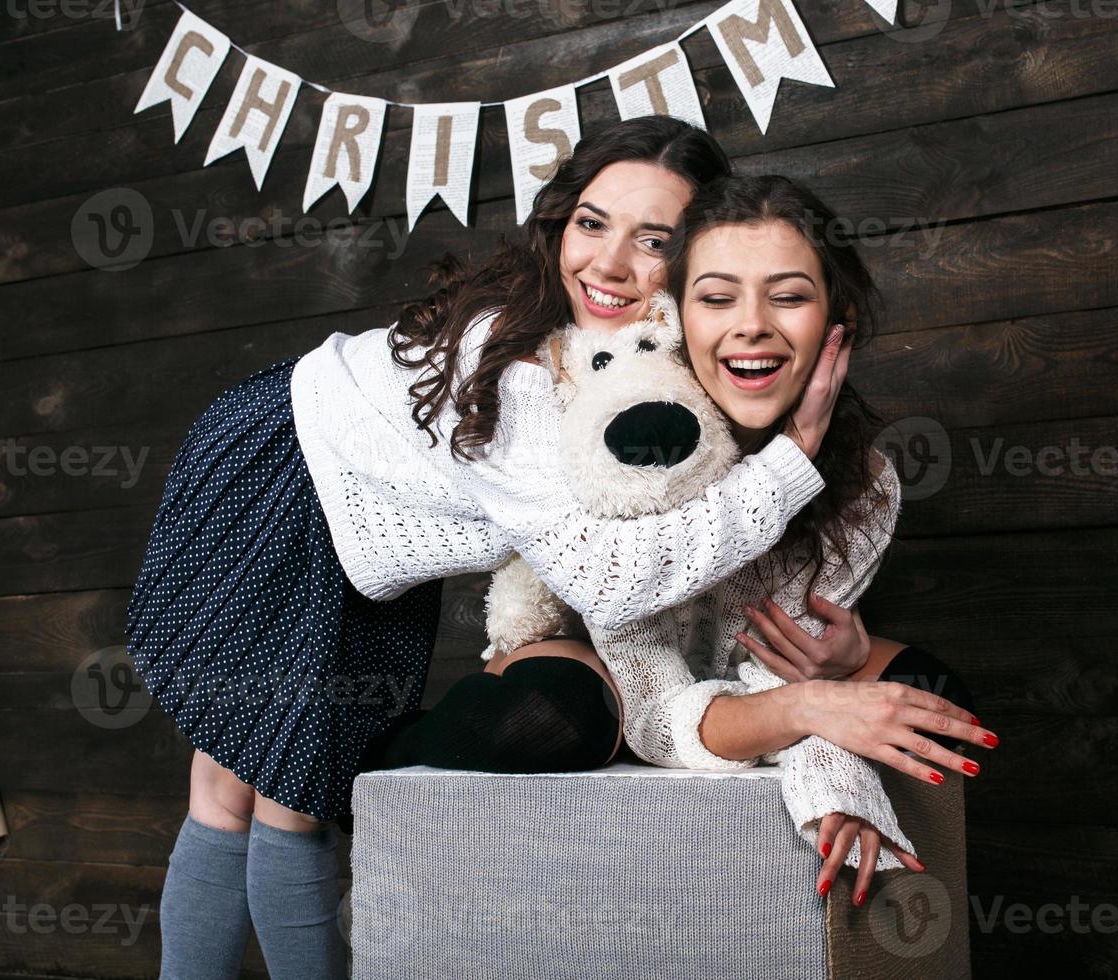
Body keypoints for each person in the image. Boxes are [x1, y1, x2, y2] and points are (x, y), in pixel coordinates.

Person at [124, 116, 856, 980]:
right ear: (561, 224)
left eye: (652, 239)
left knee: (289, 798)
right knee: (247, 794)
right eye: (591, 223)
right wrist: (790, 466)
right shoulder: (518, 370)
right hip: (279, 474)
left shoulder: (628, 349)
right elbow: (607, 581)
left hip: (355, 528)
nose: (609, 264)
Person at [369, 174, 991, 913]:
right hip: (606, 661)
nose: (752, 326)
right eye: (718, 297)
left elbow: (784, 681)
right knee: (552, 720)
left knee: (937, 705)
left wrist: (841, 693)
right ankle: (378, 760)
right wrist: (819, 714)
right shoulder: (639, 440)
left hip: (740, 673)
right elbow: (659, 710)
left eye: (788, 297)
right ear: (677, 314)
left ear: (837, 322)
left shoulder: (866, 483)